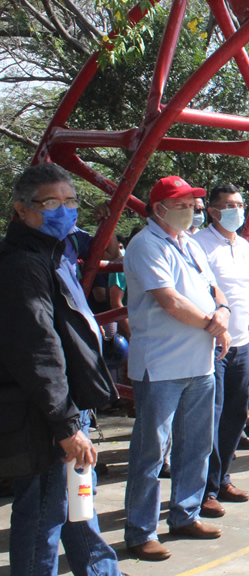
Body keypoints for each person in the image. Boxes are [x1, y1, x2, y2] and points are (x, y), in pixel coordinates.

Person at [1, 163, 122, 574]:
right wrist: (66, 424)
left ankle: (98, 568)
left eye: (70, 202)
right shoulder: (21, 264)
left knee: (74, 497)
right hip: (42, 413)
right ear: (21, 209)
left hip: (65, 403)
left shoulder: (51, 254)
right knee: (41, 514)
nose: (64, 211)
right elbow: (38, 350)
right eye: (50, 202)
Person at [124, 175, 233, 560]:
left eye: (192, 204)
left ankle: (185, 513)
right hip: (162, 365)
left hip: (199, 362)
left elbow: (212, 288)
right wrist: (212, 322)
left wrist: (221, 311)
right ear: (159, 209)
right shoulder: (145, 245)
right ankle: (140, 530)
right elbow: (168, 300)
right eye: (182, 205)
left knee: (196, 445)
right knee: (152, 452)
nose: (190, 211)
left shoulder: (189, 244)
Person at [193, 184, 249, 519]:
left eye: (239, 204)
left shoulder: (244, 247)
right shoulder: (199, 245)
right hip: (213, 345)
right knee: (212, 417)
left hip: (241, 344)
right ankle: (204, 490)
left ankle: (222, 478)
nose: (235, 210)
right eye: (228, 205)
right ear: (212, 211)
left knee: (236, 415)